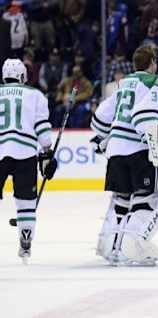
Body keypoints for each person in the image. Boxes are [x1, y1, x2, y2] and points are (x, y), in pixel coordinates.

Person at [91, 46, 158, 266]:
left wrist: (102, 138)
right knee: (144, 201)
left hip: (116, 149)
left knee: (121, 200)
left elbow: (99, 118)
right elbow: (147, 116)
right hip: (139, 149)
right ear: (153, 62)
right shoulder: (157, 83)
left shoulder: (123, 83)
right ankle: (133, 246)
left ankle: (110, 246)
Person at [0, 59, 57, 263]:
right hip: (24, 153)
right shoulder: (34, 95)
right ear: (23, 75)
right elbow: (41, 127)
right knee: (26, 203)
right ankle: (25, 244)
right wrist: (47, 151)